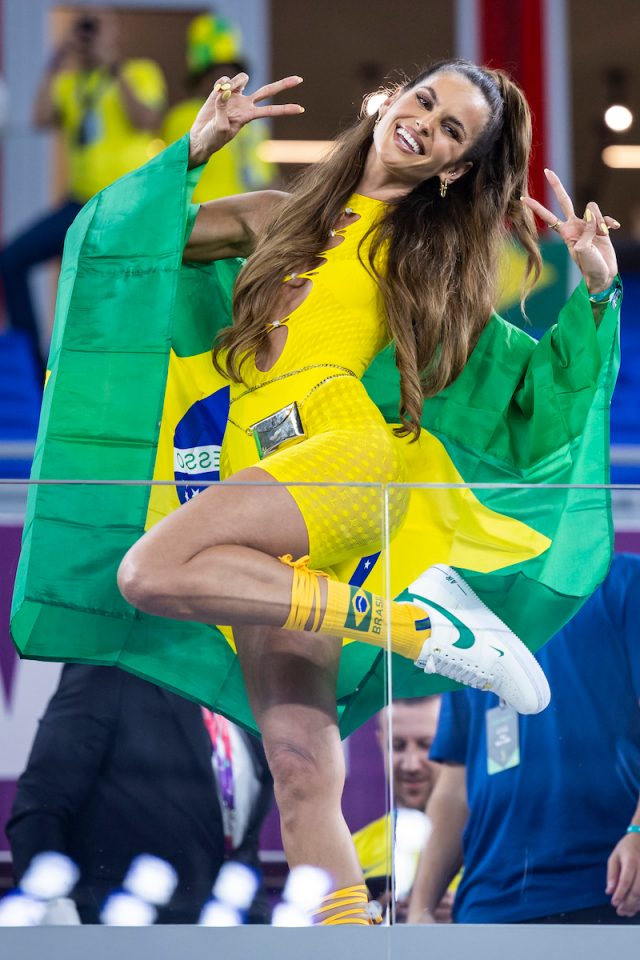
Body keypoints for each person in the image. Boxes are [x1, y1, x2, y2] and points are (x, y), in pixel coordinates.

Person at [105, 59, 621, 925]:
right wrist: (191, 152)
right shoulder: (271, 218)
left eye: (453, 130)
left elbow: (530, 399)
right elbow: (123, 250)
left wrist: (597, 290)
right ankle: (347, 939)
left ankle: (416, 624)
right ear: (391, 100)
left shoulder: (422, 257)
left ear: (454, 169)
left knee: (147, 572)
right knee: (302, 765)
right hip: (259, 477)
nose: (428, 123)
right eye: (425, 100)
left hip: (343, 459)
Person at [406, 553, 640, 925]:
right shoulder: (468, 605)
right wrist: (421, 908)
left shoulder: (624, 581)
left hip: (607, 890)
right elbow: (456, 783)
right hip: (488, 904)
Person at [6, 664, 274, 924]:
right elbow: (40, 807)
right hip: (116, 930)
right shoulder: (112, 667)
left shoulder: (246, 687)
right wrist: (55, 918)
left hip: (228, 935)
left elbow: (239, 837)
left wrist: (257, 921)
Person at [0, 9, 166, 379]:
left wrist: (114, 67)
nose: (90, 36)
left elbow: (146, 119)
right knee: (11, 259)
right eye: (84, 28)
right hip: (81, 204)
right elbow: (41, 117)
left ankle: (121, 367)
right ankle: (35, 366)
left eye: (97, 28)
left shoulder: (140, 72)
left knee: (114, 283)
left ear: (116, 33)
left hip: (128, 204)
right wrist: (58, 57)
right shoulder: (72, 81)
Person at [353, 696, 455, 922]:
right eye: (397, 746)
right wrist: (371, 916)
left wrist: (466, 911)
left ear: (454, 744)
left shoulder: (487, 845)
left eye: (426, 745)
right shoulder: (352, 851)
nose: (411, 764)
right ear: (381, 744)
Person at [161, 12, 274, 202]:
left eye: (231, 72)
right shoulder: (181, 117)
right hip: (201, 221)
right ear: (201, 79)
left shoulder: (254, 125)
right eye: (217, 73)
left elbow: (265, 179)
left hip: (247, 222)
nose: (226, 80)